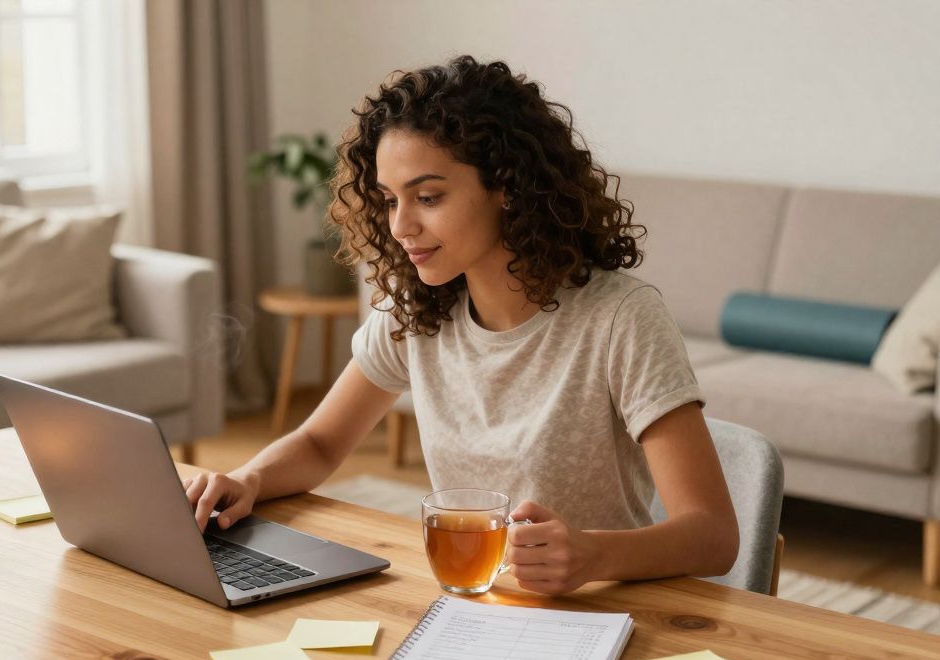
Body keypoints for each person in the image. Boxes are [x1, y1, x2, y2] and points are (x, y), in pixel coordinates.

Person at [185, 55, 739, 596]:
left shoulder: (621, 318)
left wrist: (594, 555)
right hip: (474, 603)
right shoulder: (414, 311)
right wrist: (249, 479)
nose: (401, 226)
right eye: (389, 200)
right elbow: (320, 443)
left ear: (508, 186)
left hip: (605, 609)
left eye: (428, 197)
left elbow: (713, 536)